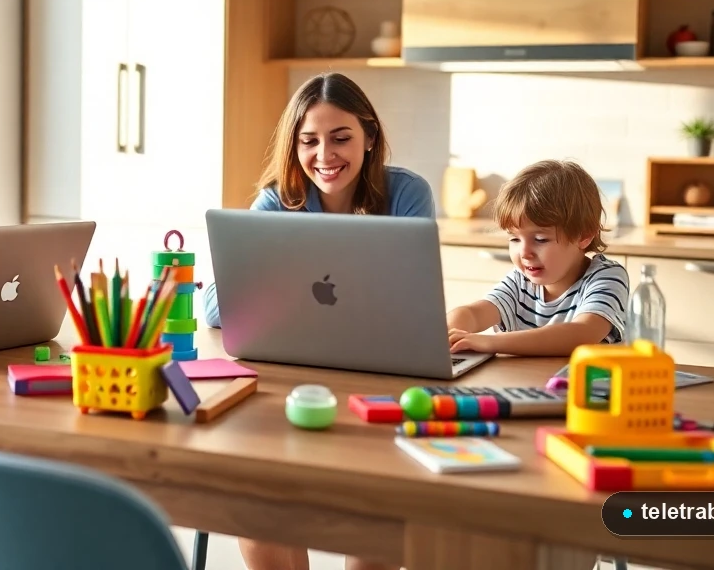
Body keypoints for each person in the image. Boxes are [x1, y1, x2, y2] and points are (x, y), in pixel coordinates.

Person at [202, 72, 434, 570]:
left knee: (376, 520)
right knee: (261, 509)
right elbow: (217, 307)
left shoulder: (407, 194)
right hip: (291, 386)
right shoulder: (275, 200)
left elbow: (411, 300)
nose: (324, 155)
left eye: (341, 137)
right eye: (309, 141)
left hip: (381, 384)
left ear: (370, 137)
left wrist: (277, 286)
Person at [446, 159, 629, 357]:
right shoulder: (520, 282)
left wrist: (491, 342)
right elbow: (473, 313)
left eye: (540, 239)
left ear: (583, 236)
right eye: (514, 238)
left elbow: (581, 334)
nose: (524, 253)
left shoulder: (607, 277)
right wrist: (452, 331)